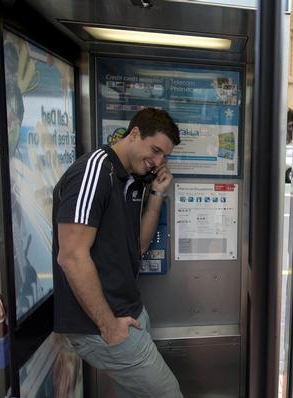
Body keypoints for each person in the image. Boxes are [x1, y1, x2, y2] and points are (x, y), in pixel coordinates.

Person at [52, 108, 182, 397]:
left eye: (165, 156)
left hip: (128, 313)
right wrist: (109, 327)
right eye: (155, 150)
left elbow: (139, 247)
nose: (158, 162)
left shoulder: (131, 178)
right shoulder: (94, 171)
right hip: (100, 325)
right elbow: (71, 256)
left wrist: (157, 195)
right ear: (134, 134)